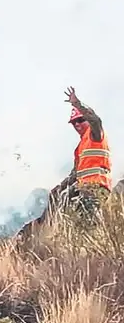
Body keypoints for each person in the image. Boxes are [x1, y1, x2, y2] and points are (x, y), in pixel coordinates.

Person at [52, 86, 112, 224]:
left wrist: (77, 103)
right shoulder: (81, 146)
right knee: (79, 224)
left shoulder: (95, 134)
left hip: (97, 187)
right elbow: (76, 174)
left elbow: (95, 120)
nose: (77, 124)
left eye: (80, 120)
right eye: (74, 122)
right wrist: (60, 187)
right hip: (84, 190)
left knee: (90, 223)